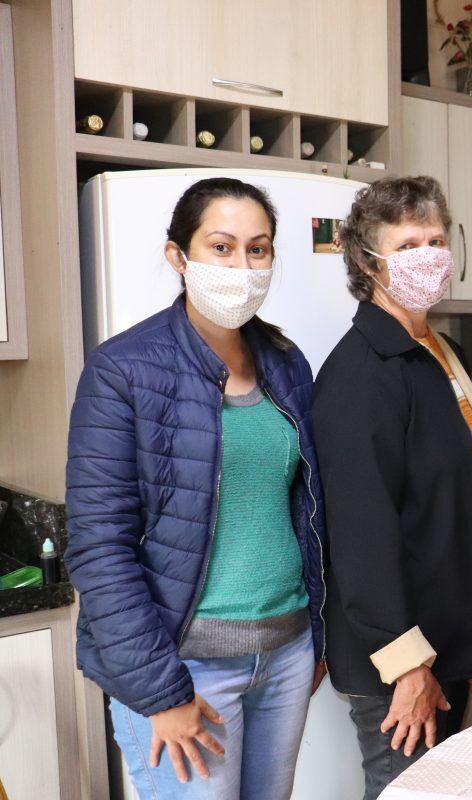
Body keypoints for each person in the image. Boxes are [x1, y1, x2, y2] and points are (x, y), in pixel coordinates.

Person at [65, 178, 327, 799]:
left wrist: (317, 631)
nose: (242, 265)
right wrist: (161, 691)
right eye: (221, 247)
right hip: (186, 667)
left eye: (258, 250)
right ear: (178, 256)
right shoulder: (123, 369)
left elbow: (307, 507)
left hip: (286, 653)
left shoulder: (286, 362)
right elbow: (100, 548)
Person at [312, 176, 472, 799]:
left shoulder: (437, 350)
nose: (430, 255)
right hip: (401, 658)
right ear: (368, 262)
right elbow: (360, 533)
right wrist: (409, 665)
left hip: (442, 638)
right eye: (410, 243)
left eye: (438, 240)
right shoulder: (363, 373)